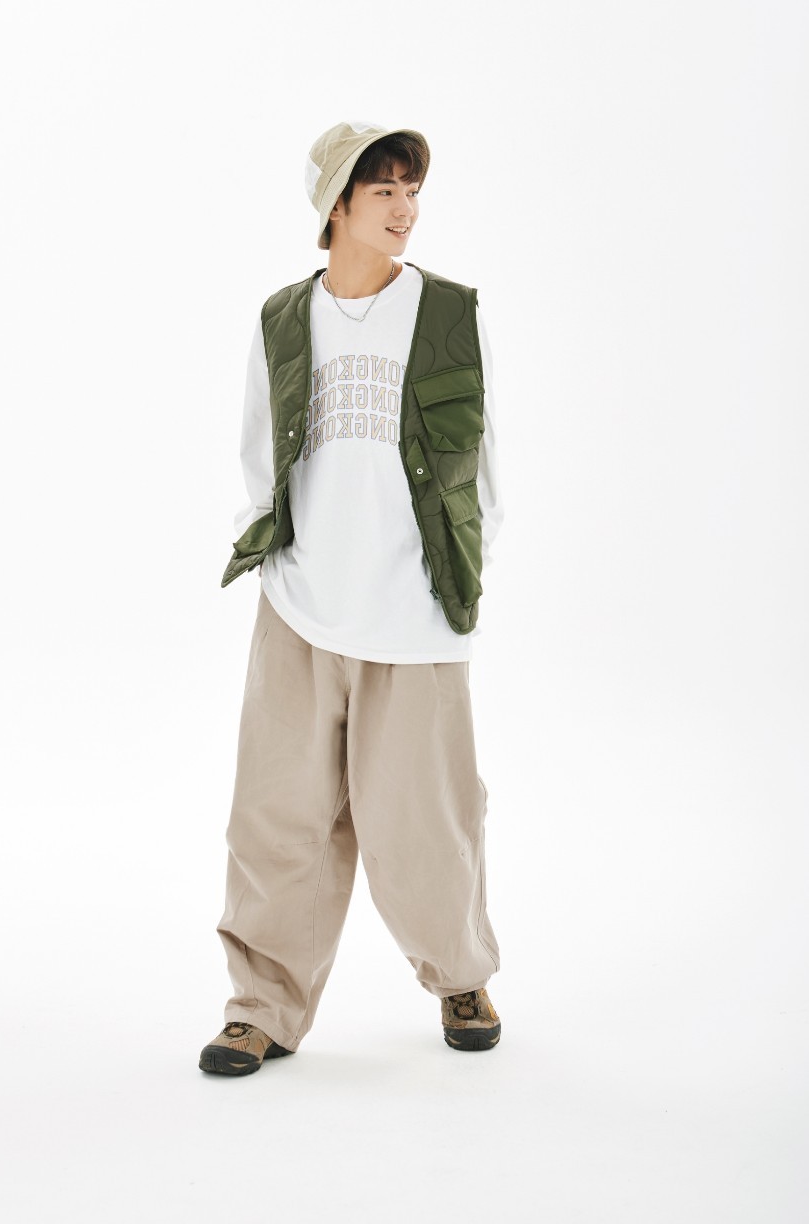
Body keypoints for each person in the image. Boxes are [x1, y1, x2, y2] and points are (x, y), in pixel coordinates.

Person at [199, 120, 504, 1078]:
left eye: (411, 190)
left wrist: (455, 580)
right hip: (298, 609)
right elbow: (260, 453)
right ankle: (261, 1008)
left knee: (425, 825)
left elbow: (485, 470)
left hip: (413, 615)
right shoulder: (284, 317)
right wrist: (276, 557)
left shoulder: (448, 312)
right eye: (384, 191)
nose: (405, 208)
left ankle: (459, 976)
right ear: (336, 204)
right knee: (274, 822)